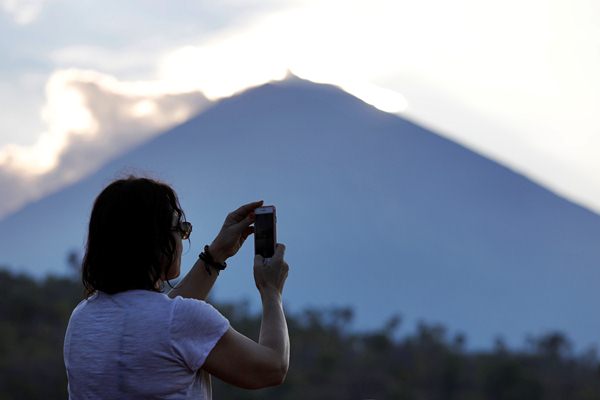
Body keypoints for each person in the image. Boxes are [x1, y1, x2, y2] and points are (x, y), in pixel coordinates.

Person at [63, 176, 290, 399]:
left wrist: (216, 254)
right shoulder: (181, 322)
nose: (183, 239)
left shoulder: (82, 318)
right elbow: (272, 367)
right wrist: (271, 291)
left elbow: (159, 323)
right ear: (156, 240)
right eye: (180, 229)